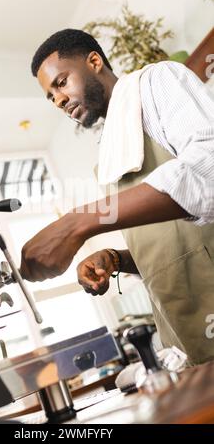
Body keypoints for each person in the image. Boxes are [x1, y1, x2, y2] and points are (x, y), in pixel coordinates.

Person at [20, 28, 214, 365]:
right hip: (184, 337)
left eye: (61, 83)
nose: (59, 101)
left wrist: (76, 223)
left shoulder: (157, 81)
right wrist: (114, 259)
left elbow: (208, 169)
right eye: (51, 98)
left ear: (94, 61)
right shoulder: (111, 150)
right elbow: (176, 243)